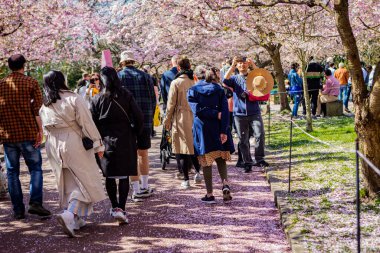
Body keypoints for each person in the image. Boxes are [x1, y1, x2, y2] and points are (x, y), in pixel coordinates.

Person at [39, 70, 106, 237]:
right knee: (85, 179)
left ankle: (76, 219)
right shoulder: (72, 98)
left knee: (67, 182)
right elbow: (87, 122)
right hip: (74, 141)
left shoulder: (45, 104)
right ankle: (69, 214)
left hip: (52, 144)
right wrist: (98, 144)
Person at [0, 54, 51, 220]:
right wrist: (40, 131)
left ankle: (18, 210)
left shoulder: (1, 84)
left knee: (12, 172)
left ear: (9, 67)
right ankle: (35, 203)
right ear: (24, 65)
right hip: (28, 133)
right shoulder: (31, 82)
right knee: (35, 169)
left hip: (8, 136)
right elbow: (37, 110)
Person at [91, 67, 144, 224]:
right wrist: (136, 131)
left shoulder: (96, 99)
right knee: (123, 174)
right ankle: (122, 208)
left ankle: (114, 207)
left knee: (109, 175)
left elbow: (92, 123)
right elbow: (139, 116)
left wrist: (96, 141)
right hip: (125, 138)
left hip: (105, 140)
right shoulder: (126, 94)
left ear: (101, 80)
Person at [188, 66, 235, 203]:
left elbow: (197, 110)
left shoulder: (192, 91)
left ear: (196, 77)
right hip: (219, 127)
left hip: (202, 128)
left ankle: (209, 194)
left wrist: (212, 113)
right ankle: (225, 183)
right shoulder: (219, 90)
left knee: (206, 161)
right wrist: (224, 130)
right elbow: (225, 112)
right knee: (221, 159)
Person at [118, 51, 156, 202]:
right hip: (144, 120)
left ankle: (136, 189)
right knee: (143, 153)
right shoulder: (146, 76)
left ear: (122, 62)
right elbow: (153, 100)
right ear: (133, 61)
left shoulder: (119, 77)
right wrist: (150, 118)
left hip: (126, 122)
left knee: (131, 155)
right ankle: (145, 185)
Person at [223, 56, 271, 173]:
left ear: (247, 64)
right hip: (239, 113)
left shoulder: (253, 77)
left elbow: (264, 77)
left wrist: (253, 65)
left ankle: (259, 159)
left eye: (244, 63)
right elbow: (224, 80)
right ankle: (247, 162)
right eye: (239, 63)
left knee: (260, 134)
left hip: (254, 111)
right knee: (243, 139)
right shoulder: (234, 78)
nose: (242, 65)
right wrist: (232, 66)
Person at [163, 56, 195, 189]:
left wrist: (167, 120)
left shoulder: (176, 82)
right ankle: (197, 172)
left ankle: (186, 178)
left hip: (180, 116)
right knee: (192, 146)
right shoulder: (194, 82)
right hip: (193, 116)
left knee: (180, 148)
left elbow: (170, 104)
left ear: (178, 68)